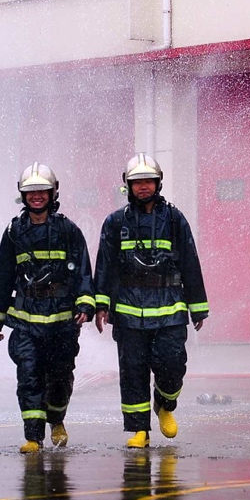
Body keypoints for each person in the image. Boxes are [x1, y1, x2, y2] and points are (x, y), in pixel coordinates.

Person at [94, 154, 209, 448]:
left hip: (170, 309)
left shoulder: (174, 219)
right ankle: (139, 430)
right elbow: (105, 266)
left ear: (158, 183)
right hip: (129, 312)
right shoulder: (115, 222)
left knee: (172, 364)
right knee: (132, 371)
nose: (143, 187)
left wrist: (197, 305)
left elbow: (190, 263)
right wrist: (101, 305)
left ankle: (165, 404)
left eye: (148, 181)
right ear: (128, 186)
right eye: (137, 182)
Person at [0, 163, 95, 454]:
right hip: (25, 322)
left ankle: (57, 420)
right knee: (29, 376)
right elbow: (2, 276)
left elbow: (83, 270)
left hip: (61, 321)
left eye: (41, 191)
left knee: (59, 377)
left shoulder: (68, 230)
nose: (36, 196)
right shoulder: (13, 232)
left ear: (52, 192)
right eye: (30, 191)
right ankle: (33, 438)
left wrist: (85, 302)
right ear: (22, 195)